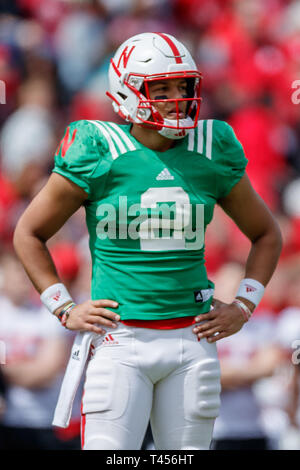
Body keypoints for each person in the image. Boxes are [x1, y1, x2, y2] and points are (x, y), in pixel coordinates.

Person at [13, 32, 282, 450]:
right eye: (162, 88)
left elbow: (266, 234)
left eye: (184, 86)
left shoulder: (211, 148)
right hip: (121, 339)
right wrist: (63, 307)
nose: (177, 97)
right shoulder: (97, 148)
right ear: (127, 91)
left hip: (193, 340)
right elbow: (29, 232)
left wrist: (244, 305)